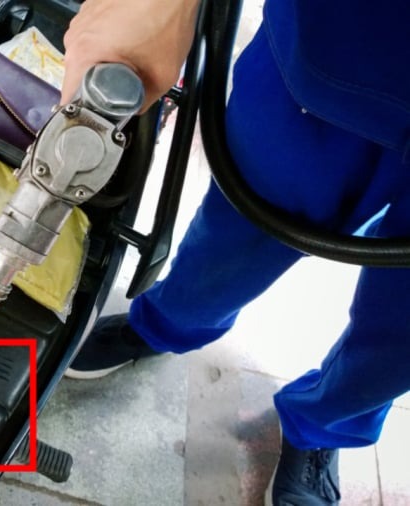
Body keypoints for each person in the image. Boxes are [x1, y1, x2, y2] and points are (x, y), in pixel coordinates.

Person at [60, 0, 409, 504]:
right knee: (237, 237)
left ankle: (325, 425)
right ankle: (162, 325)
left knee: (402, 341)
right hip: (339, 51)